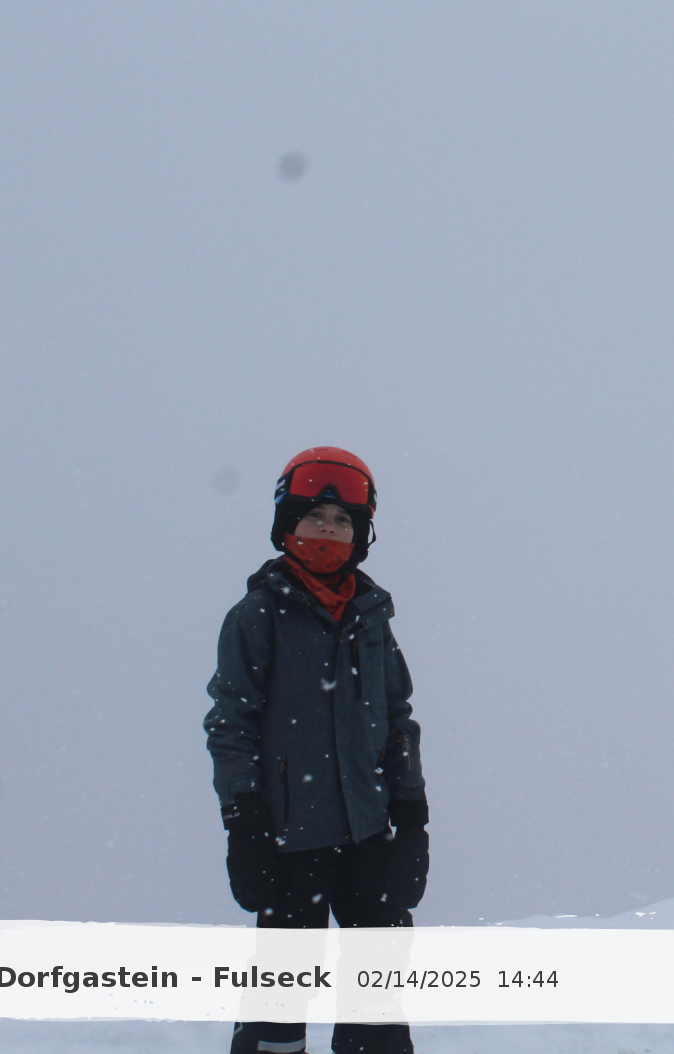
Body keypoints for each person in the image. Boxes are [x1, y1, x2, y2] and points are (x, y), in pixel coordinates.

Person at [205, 447, 428, 1054]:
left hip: (368, 836)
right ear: (287, 526)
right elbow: (231, 724)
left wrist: (411, 816)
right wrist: (245, 821)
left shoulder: (372, 617)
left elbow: (397, 719)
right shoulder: (258, 615)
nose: (328, 530)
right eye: (315, 517)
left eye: (342, 521)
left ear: (360, 536)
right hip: (289, 841)